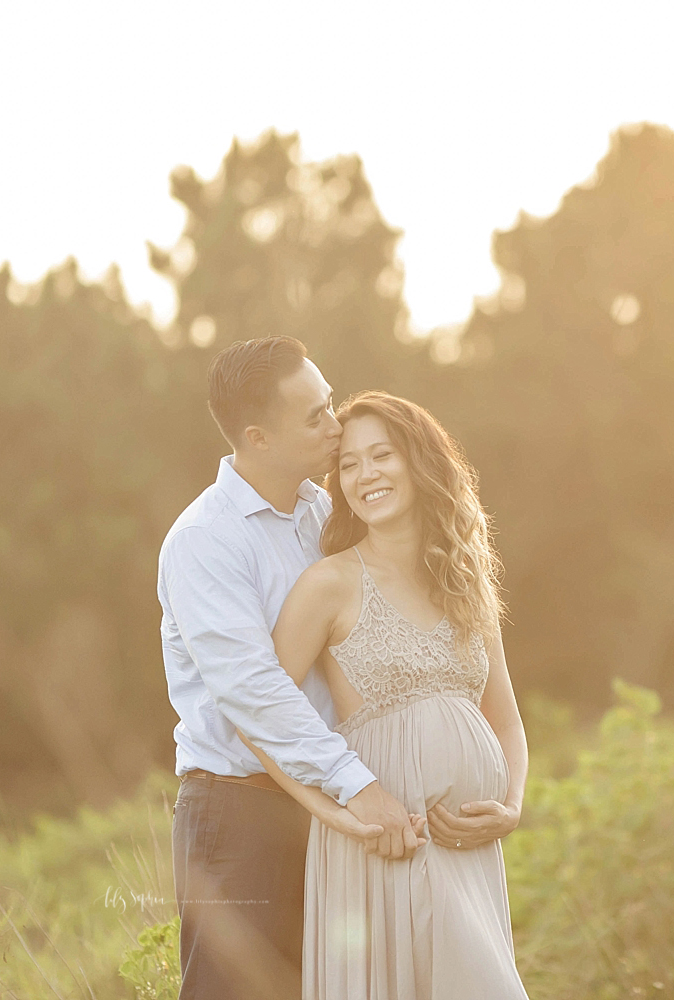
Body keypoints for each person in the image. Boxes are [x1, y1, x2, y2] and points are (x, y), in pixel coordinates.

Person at [237, 390, 532, 999]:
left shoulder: (466, 581)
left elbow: (505, 719)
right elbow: (256, 718)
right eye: (348, 463)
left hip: (468, 853)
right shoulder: (329, 583)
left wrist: (512, 805)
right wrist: (337, 814)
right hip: (386, 845)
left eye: (382, 455)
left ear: (420, 463)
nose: (365, 474)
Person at [158, 338, 425, 1000]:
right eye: (315, 416)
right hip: (239, 812)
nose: (336, 425)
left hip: (329, 810)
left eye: (329, 403)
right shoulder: (204, 541)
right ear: (259, 437)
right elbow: (254, 690)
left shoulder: (328, 513)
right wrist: (357, 784)